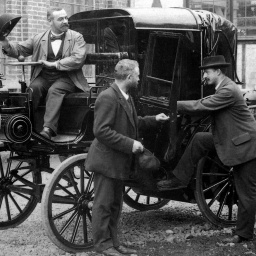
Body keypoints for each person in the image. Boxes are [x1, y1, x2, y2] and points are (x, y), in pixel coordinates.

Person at [157, 55, 256, 243]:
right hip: (232, 139)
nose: (205, 76)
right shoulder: (223, 86)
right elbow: (205, 101)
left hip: (246, 145)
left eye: (207, 72)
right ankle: (178, 178)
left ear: (218, 71)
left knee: (246, 193)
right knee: (201, 139)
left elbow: (202, 105)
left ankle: (244, 234)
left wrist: (172, 105)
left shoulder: (228, 90)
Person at [85, 59, 169, 256]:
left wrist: (154, 119)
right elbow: (101, 131)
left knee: (115, 206)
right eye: (138, 75)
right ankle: (103, 246)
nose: (139, 79)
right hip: (106, 162)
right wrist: (131, 144)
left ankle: (114, 243)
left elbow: (132, 122)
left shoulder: (125, 96)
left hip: (117, 163)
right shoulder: (108, 97)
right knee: (103, 205)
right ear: (129, 77)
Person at [0, 7, 88, 139]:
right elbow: (20, 49)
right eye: (60, 19)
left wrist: (56, 64)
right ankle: (25, 126)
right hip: (44, 77)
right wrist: (6, 43)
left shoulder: (77, 37)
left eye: (66, 18)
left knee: (55, 90)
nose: (65, 21)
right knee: (33, 89)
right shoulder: (39, 38)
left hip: (67, 77)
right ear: (50, 21)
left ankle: (48, 129)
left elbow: (78, 59)